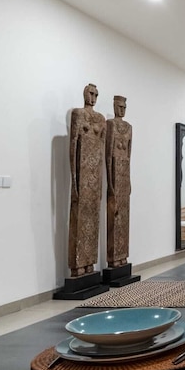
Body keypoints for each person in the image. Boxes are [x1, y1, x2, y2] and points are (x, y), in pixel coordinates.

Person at [67, 83, 106, 277]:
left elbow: (103, 151)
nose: (93, 98)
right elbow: (73, 147)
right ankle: (78, 264)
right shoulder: (78, 114)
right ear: (84, 94)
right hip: (81, 175)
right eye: (91, 93)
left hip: (95, 175)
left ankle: (90, 262)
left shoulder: (101, 119)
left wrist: (102, 183)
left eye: (96, 94)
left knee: (93, 217)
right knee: (79, 218)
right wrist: (74, 179)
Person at [105, 95, 132, 268]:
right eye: (119, 106)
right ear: (114, 106)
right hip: (114, 172)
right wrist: (109, 181)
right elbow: (108, 155)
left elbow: (129, 155)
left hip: (124, 173)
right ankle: (113, 258)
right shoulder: (111, 125)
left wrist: (129, 180)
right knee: (114, 213)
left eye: (124, 107)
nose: (121, 110)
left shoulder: (128, 127)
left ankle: (122, 256)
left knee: (123, 215)